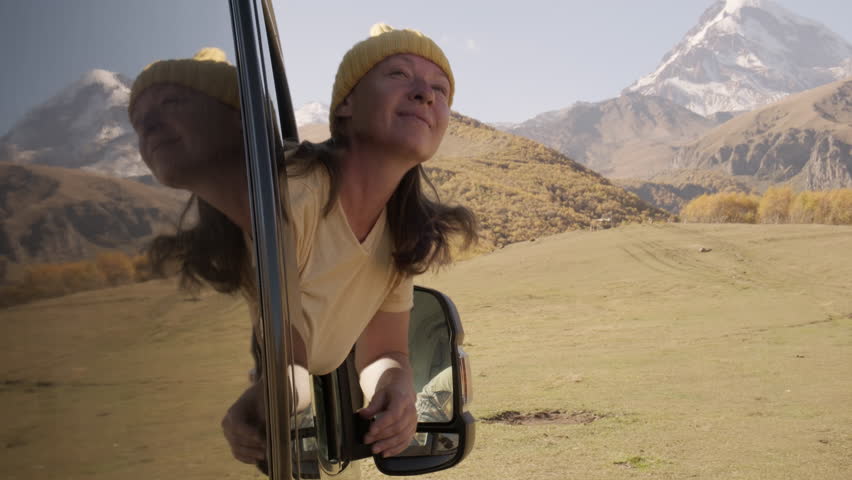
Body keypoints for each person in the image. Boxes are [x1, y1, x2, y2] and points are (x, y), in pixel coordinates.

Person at [127, 23, 476, 466]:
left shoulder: (398, 229)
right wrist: (271, 396)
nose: (425, 94)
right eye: (399, 75)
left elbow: (384, 351)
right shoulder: (297, 196)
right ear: (346, 104)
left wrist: (397, 385)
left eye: (440, 89)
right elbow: (289, 361)